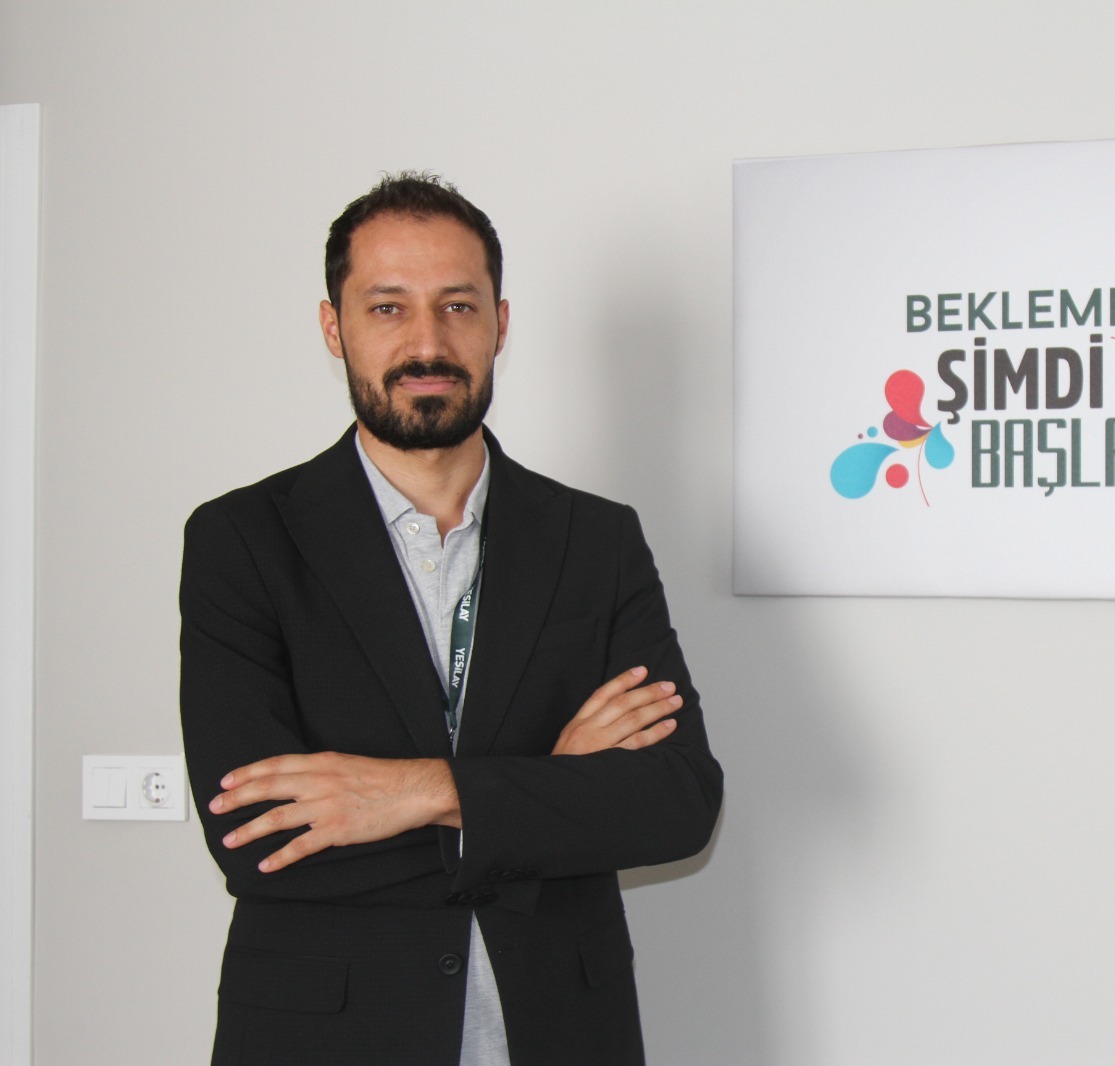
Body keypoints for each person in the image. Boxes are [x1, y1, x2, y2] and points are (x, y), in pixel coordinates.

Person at [179, 172, 721, 1066]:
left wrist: (419, 791)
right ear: (334, 328)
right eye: (388, 308)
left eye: (457, 306)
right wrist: (550, 788)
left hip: (558, 1033)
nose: (427, 342)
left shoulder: (594, 539)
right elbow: (261, 839)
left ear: (499, 324)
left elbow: (677, 803)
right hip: (326, 1040)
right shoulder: (242, 541)